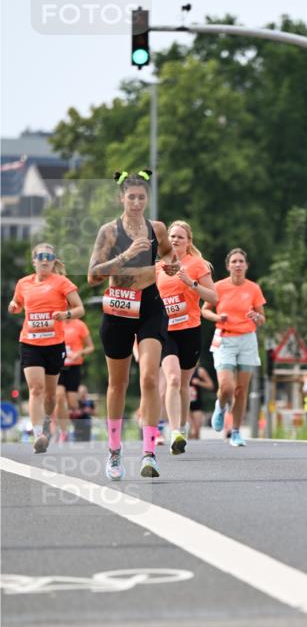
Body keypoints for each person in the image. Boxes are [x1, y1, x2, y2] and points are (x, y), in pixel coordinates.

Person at [87, 169, 177, 480]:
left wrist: (171, 262)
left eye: (142, 197)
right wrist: (126, 254)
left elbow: (167, 252)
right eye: (131, 197)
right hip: (118, 309)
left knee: (151, 378)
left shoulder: (158, 229)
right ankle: (114, 452)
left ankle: (149, 453)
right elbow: (93, 274)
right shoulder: (109, 232)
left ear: (147, 198)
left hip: (150, 306)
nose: (136, 202)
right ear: (121, 198)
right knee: (118, 384)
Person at [8, 243, 85, 453]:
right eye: (40, 256)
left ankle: (46, 422)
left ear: (53, 261)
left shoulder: (62, 283)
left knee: (51, 396)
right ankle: (37, 434)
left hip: (54, 345)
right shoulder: (23, 283)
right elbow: (17, 302)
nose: (44, 260)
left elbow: (80, 309)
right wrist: (14, 306)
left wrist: (65, 315)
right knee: (36, 389)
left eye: (49, 257)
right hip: (30, 342)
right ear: (34, 261)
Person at [156, 220, 217, 455]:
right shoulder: (158, 266)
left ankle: (181, 425)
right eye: (171, 236)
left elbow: (214, 296)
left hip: (190, 329)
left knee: (183, 384)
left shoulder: (197, 264)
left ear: (188, 241)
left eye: (180, 237)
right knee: (171, 379)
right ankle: (175, 432)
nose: (175, 240)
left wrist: (191, 284)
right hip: (165, 331)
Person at [201, 248, 266, 447]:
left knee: (240, 390)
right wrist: (217, 317)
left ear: (246, 266)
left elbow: (262, 318)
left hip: (247, 339)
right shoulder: (218, 287)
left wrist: (257, 317)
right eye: (234, 262)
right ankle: (220, 407)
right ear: (228, 266)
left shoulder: (253, 288)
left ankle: (236, 432)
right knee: (227, 388)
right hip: (225, 339)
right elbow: (204, 310)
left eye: (241, 261)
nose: (238, 265)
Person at [55, 316, 94, 441]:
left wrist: (79, 353)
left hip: (74, 367)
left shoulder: (79, 325)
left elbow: (90, 347)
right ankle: (63, 432)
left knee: (72, 403)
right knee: (59, 396)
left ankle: (78, 426)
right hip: (58, 366)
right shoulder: (55, 323)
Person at [188, 363, 215, 439]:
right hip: (185, 405)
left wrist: (199, 382)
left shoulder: (200, 371)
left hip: (197, 404)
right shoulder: (181, 370)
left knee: (196, 431)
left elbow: (211, 385)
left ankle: (197, 448)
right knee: (189, 430)